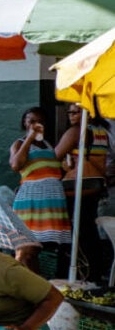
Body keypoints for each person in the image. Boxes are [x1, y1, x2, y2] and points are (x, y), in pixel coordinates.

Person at [9, 107, 70, 273]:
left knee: (39, 249)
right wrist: (30, 138)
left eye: (40, 121)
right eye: (31, 121)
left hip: (51, 203)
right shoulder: (19, 143)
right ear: (25, 123)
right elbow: (16, 165)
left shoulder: (49, 145)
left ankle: (35, 287)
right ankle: (19, 286)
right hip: (32, 202)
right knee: (27, 249)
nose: (36, 125)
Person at [56, 109, 111, 281]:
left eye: (77, 112)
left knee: (74, 232)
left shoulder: (75, 132)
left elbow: (53, 156)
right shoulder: (102, 132)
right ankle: (94, 272)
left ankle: (75, 272)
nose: (71, 115)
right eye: (70, 112)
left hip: (77, 188)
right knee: (89, 231)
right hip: (96, 185)